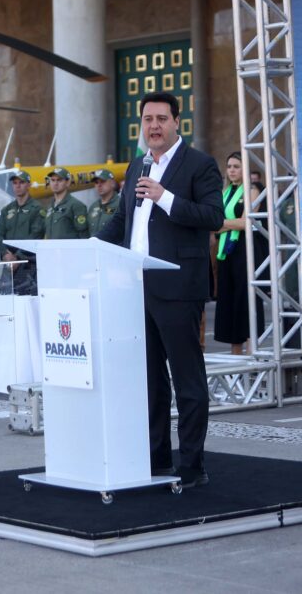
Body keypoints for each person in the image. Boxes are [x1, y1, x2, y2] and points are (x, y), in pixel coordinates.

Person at [96, 92, 223, 488]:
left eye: (161, 119)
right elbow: (123, 220)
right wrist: (90, 249)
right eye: (148, 119)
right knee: (149, 381)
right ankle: (156, 458)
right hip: (136, 289)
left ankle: (192, 464)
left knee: (187, 379)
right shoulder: (138, 166)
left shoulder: (200, 165)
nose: (154, 126)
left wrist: (165, 197)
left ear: (176, 123)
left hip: (179, 288)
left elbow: (213, 217)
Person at [213, 152, 263, 355]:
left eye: (237, 166)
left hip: (245, 250)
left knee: (246, 300)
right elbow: (212, 223)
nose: (232, 170)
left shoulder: (253, 190)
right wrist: (221, 225)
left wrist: (220, 224)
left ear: (245, 169)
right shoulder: (224, 192)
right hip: (226, 251)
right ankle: (236, 357)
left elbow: (245, 222)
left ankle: (252, 354)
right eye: (229, 166)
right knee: (229, 301)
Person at [0, 169, 46, 293]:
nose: (17, 186)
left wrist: (18, 257)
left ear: (28, 185)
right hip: (9, 263)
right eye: (15, 183)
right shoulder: (7, 210)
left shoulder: (37, 208)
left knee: (26, 299)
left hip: (28, 264)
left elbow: (36, 235)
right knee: (6, 297)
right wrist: (6, 255)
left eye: (21, 182)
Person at [44, 167, 89, 239]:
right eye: (53, 180)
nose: (55, 183)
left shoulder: (76, 205)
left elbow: (83, 235)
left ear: (67, 182)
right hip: (52, 249)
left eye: (59, 180)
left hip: (69, 249)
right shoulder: (50, 206)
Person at [87, 168, 120, 237]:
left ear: (112, 183)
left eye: (103, 181)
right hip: (94, 246)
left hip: (112, 246)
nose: (99, 185)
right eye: (96, 182)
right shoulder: (93, 206)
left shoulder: (121, 204)